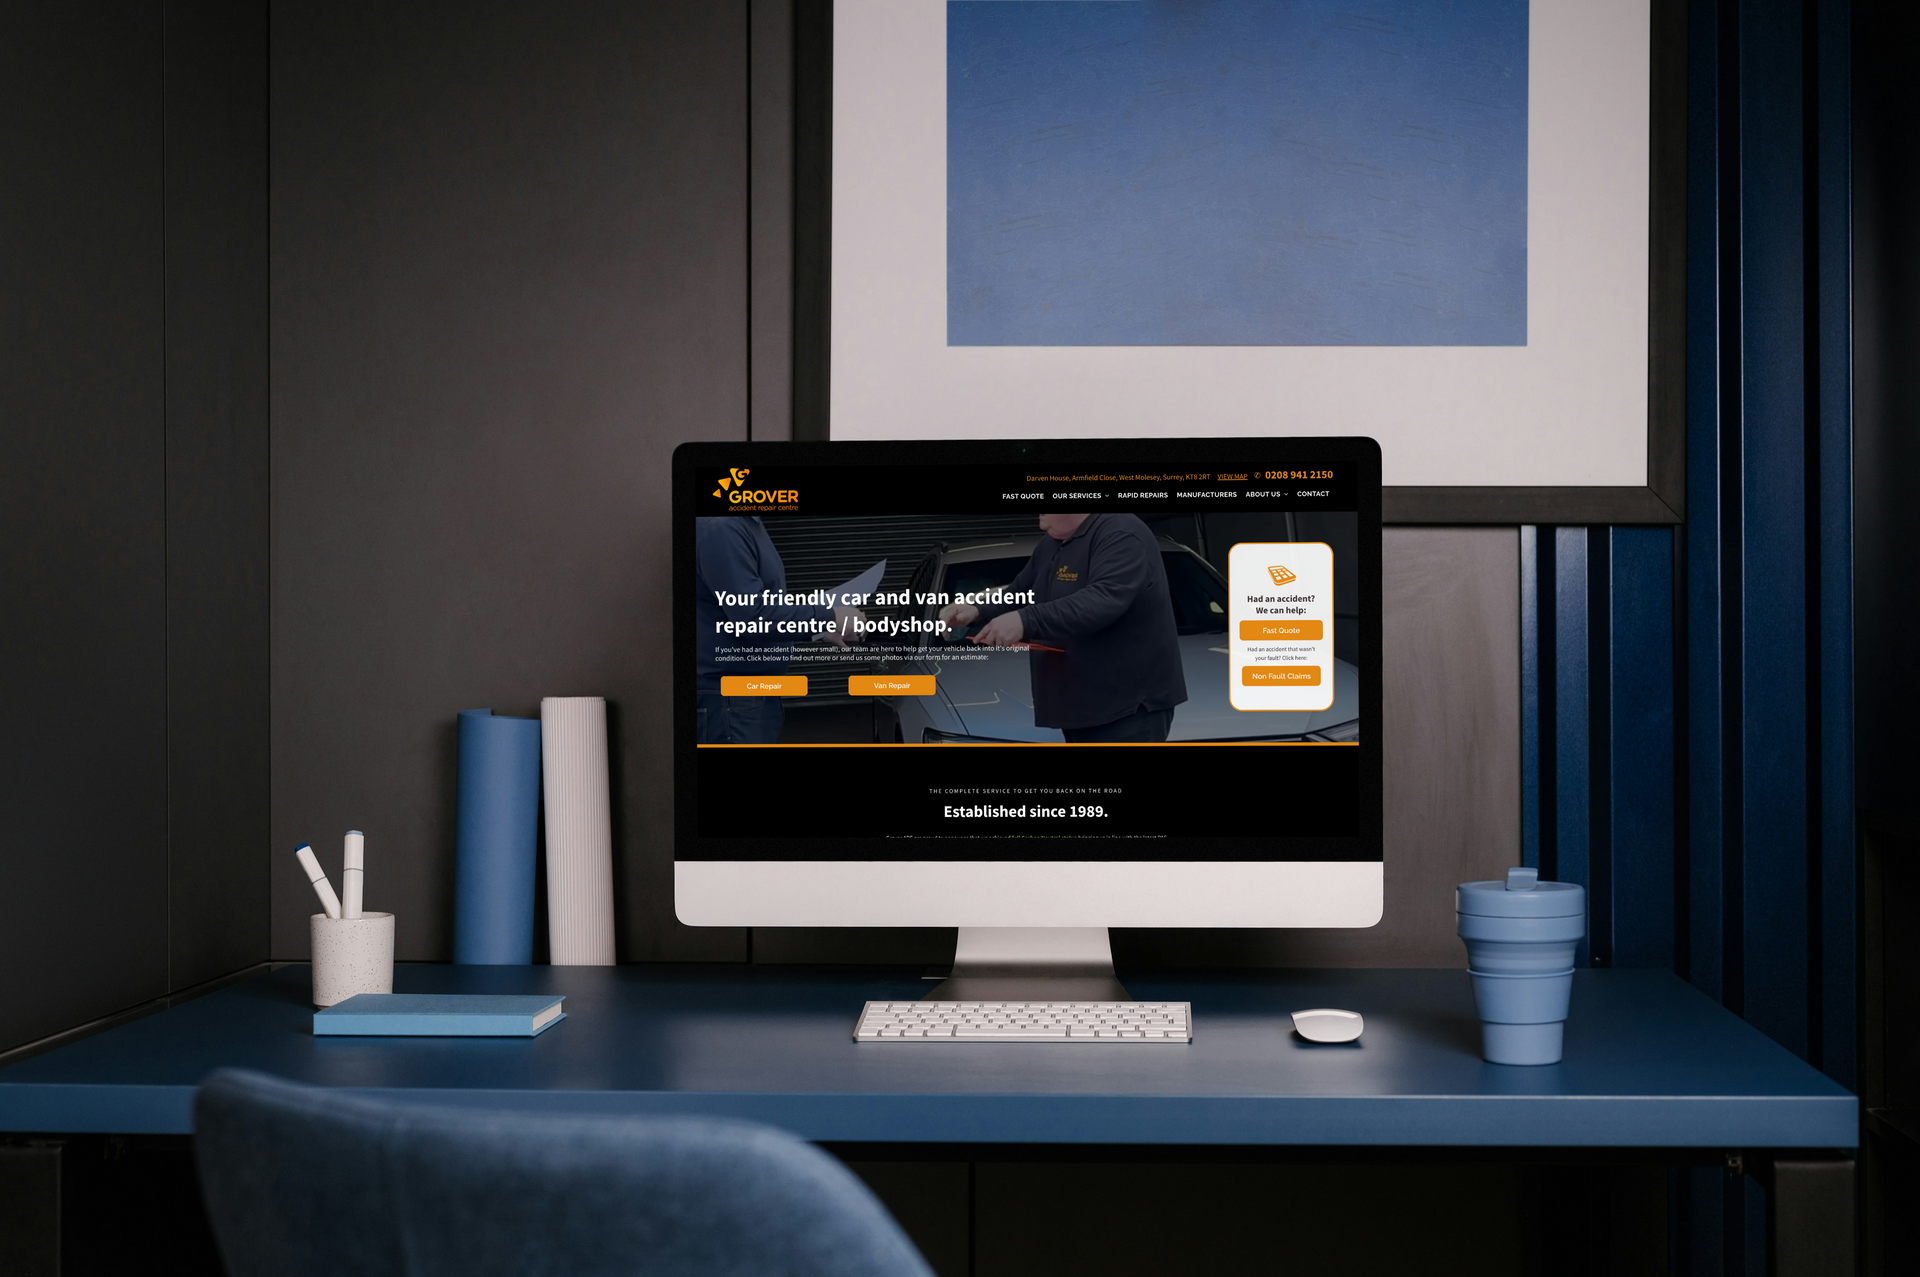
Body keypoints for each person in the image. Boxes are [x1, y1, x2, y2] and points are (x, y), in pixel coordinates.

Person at [938, 512, 1187, 742]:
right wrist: (975, 610)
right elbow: (1019, 593)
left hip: (1126, 711)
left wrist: (1025, 621)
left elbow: (1102, 600)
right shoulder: (1053, 543)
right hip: (1082, 708)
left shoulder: (1121, 534)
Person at [694, 516, 861, 744]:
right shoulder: (722, 527)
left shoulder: (748, 524)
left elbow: (765, 604)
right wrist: (828, 617)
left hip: (750, 697)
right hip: (730, 701)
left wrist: (822, 630)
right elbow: (751, 615)